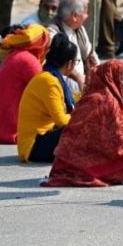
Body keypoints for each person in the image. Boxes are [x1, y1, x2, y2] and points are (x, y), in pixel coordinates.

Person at [42, 60, 123, 186]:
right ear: (110, 78)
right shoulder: (107, 101)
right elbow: (118, 144)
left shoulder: (95, 96)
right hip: (88, 162)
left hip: (73, 162)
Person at [0, 25, 50, 144]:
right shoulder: (29, 60)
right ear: (40, 43)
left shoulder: (15, 54)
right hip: (8, 129)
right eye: (46, 42)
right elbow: (44, 93)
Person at [16, 33, 78, 163]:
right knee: (79, 128)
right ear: (70, 63)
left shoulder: (51, 78)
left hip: (44, 136)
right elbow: (61, 120)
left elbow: (75, 102)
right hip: (33, 145)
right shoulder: (49, 81)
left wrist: (81, 81)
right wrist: (82, 117)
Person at [47, 0, 98, 94]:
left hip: (81, 87)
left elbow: (91, 55)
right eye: (85, 12)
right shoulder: (52, 32)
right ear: (75, 16)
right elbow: (57, 63)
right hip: (60, 89)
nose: (87, 16)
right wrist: (78, 77)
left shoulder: (79, 29)